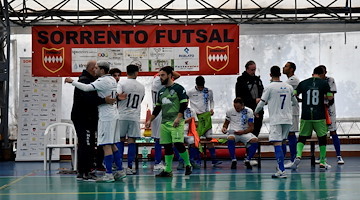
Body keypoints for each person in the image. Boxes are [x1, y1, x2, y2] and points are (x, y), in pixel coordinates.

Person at [65, 61, 125, 182]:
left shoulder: (100, 80)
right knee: (112, 144)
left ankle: (108, 174)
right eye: (95, 68)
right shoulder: (112, 79)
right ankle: (119, 170)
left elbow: (87, 89)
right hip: (111, 115)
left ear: (102, 70)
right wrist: (110, 98)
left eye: (97, 68)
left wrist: (72, 82)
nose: (95, 70)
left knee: (106, 144)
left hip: (106, 116)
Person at [145, 66, 192, 177]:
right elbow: (157, 108)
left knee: (178, 144)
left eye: (163, 75)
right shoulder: (161, 92)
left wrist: (178, 118)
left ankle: (188, 164)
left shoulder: (179, 88)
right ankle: (168, 170)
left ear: (170, 75)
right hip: (164, 122)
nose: (160, 78)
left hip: (176, 122)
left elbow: (184, 104)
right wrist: (150, 120)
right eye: (159, 75)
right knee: (167, 146)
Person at [254, 66, 297, 178]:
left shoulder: (269, 87)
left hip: (276, 119)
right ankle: (280, 167)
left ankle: (281, 170)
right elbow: (295, 102)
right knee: (283, 141)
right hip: (287, 119)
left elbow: (262, 103)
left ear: (270, 75)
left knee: (277, 143)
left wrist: (256, 112)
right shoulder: (288, 87)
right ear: (280, 74)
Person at [287, 66, 333, 170]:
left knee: (302, 137)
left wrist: (300, 100)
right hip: (319, 115)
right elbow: (330, 97)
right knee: (322, 138)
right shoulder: (324, 83)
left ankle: (298, 156)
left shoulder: (303, 83)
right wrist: (324, 96)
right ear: (321, 74)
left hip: (306, 115)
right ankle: (322, 161)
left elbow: (293, 94)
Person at [116, 64, 145, 175]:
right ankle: (130, 167)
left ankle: (119, 167)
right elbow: (140, 100)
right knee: (132, 141)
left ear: (126, 72)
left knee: (120, 140)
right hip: (134, 116)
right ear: (136, 73)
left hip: (122, 115)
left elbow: (117, 95)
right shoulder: (141, 86)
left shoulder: (121, 83)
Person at [187, 76, 222, 167]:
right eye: (199, 87)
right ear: (196, 84)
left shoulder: (209, 91)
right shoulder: (190, 92)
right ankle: (194, 160)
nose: (201, 88)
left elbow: (212, 101)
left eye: (202, 86)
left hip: (206, 117)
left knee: (209, 138)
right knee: (194, 139)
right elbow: (185, 102)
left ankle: (214, 160)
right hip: (196, 118)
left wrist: (212, 109)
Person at [150, 71, 180, 171]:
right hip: (161, 112)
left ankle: (161, 161)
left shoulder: (155, 81)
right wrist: (168, 71)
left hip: (157, 111)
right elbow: (178, 75)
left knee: (161, 138)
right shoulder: (159, 82)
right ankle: (158, 162)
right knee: (162, 138)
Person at [221, 97, 259, 169]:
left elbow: (251, 127)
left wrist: (243, 132)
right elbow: (226, 123)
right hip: (234, 132)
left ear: (242, 105)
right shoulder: (230, 111)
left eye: (238, 107)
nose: (236, 109)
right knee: (230, 138)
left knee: (255, 140)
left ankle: (248, 160)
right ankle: (233, 160)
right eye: (235, 107)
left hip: (245, 132)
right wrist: (224, 128)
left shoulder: (249, 111)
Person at [318, 65, 344, 164]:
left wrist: (322, 96)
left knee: (333, 132)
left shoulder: (330, 80)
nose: (321, 75)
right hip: (319, 109)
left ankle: (339, 156)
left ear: (325, 72)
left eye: (322, 72)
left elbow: (331, 96)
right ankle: (322, 156)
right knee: (321, 133)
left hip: (329, 110)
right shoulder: (316, 81)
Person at [235, 60, 264, 137]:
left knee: (256, 130)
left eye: (255, 69)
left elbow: (262, 91)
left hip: (258, 109)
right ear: (247, 69)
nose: (254, 71)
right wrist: (253, 101)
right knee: (248, 131)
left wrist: (261, 100)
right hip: (247, 109)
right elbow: (239, 97)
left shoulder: (258, 80)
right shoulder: (241, 80)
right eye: (252, 70)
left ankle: (253, 146)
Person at [282, 62, 300, 169]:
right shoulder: (289, 80)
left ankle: (294, 160)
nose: (283, 68)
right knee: (289, 135)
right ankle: (292, 159)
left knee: (291, 134)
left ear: (292, 69)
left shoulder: (293, 80)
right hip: (287, 110)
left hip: (292, 111)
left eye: (286, 66)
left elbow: (282, 88)